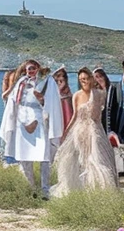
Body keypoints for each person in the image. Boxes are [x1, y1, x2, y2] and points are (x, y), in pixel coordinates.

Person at [0, 59, 64, 197]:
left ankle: (45, 190)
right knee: (24, 156)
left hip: (40, 121)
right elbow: (13, 100)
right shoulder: (21, 82)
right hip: (22, 121)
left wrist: (41, 99)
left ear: (38, 68)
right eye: (28, 68)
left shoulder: (47, 82)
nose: (31, 71)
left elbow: (52, 102)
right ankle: (31, 188)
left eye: (33, 68)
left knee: (44, 156)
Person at [51, 67, 118, 197]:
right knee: (80, 161)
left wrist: (93, 96)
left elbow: (96, 115)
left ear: (91, 79)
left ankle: (98, 191)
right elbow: (74, 116)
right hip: (80, 130)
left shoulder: (98, 94)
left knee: (97, 159)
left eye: (86, 79)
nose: (84, 82)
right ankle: (80, 190)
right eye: (82, 80)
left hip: (94, 130)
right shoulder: (76, 95)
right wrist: (66, 132)